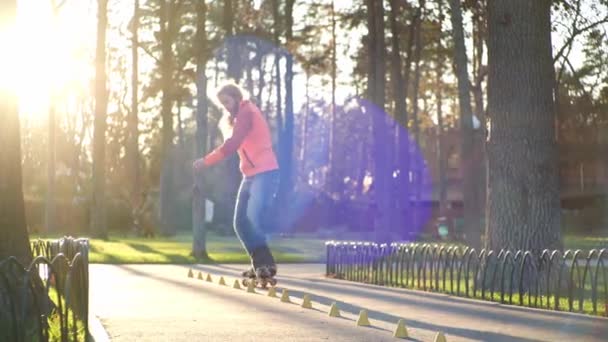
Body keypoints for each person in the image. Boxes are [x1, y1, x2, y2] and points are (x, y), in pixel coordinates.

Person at [193, 81, 279, 280]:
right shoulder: (238, 116)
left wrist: (206, 161)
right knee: (240, 222)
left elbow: (233, 144)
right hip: (250, 175)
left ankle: (265, 265)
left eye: (227, 101)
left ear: (236, 97)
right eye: (222, 103)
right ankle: (260, 265)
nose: (225, 106)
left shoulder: (247, 111)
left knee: (253, 218)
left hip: (265, 172)